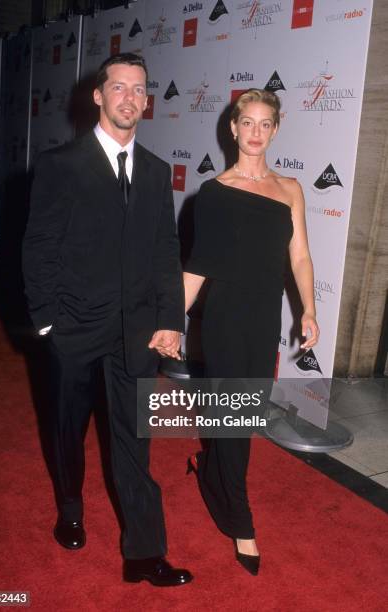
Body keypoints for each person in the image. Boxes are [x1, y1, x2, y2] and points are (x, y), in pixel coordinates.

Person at [22, 53, 192, 587]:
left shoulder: (158, 171)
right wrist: (48, 323)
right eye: (118, 87)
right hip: (74, 327)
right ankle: (70, 505)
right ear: (98, 96)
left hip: (137, 332)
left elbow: (166, 250)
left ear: (146, 100)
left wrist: (171, 319)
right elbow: (39, 247)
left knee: (133, 444)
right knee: (68, 428)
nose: (128, 98)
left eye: (138, 89)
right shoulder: (61, 164)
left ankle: (144, 553)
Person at [183, 89, 319, 575]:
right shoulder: (215, 192)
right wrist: (168, 323)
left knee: (239, 416)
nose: (256, 132)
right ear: (233, 128)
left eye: (266, 124)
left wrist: (308, 310)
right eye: (248, 123)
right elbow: (197, 268)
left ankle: (209, 474)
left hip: (264, 318)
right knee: (233, 421)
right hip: (224, 318)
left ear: (276, 129)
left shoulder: (291, 189)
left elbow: (299, 256)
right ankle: (241, 523)